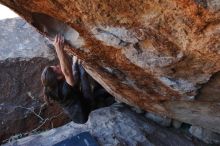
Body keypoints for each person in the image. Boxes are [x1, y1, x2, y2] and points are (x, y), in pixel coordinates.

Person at [41, 34, 114, 124]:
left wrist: (75, 62)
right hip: (85, 112)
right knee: (84, 75)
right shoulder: (63, 91)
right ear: (58, 77)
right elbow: (68, 73)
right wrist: (59, 49)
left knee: (79, 71)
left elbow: (72, 74)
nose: (58, 65)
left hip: (79, 105)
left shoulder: (51, 85)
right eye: (57, 68)